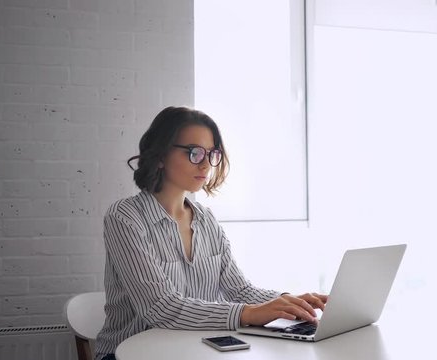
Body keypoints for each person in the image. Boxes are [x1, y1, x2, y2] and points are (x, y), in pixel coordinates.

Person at [95, 106, 327, 360]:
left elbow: (239, 290)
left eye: (212, 154)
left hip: (194, 350)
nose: (206, 164)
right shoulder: (124, 217)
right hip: (128, 353)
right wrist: (247, 313)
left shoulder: (206, 220)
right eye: (195, 153)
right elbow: (159, 307)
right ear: (160, 155)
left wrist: (289, 302)